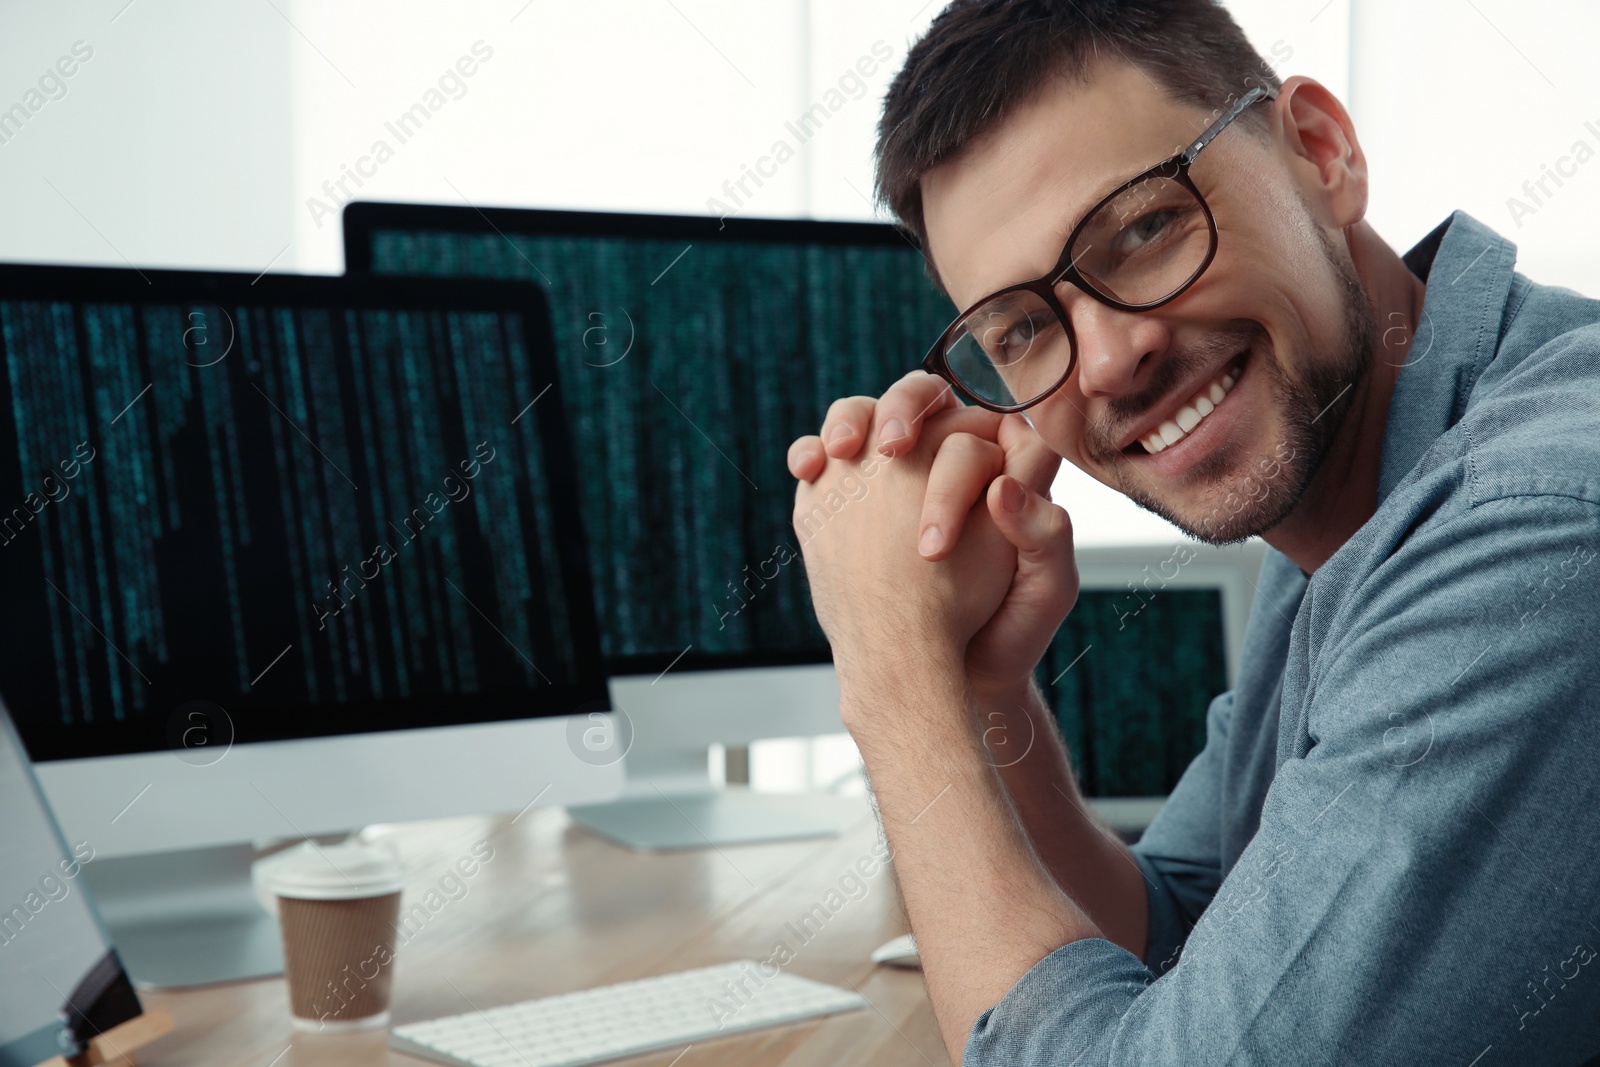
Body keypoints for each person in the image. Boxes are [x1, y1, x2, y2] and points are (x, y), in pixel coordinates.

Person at [785, 1, 1600, 1063]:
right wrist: (983, 681)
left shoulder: (1527, 529)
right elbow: (1173, 927)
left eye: (1142, 227)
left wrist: (893, 670)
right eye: (1025, 329)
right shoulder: (1354, 487)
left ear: (1318, 151)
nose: (1112, 358)